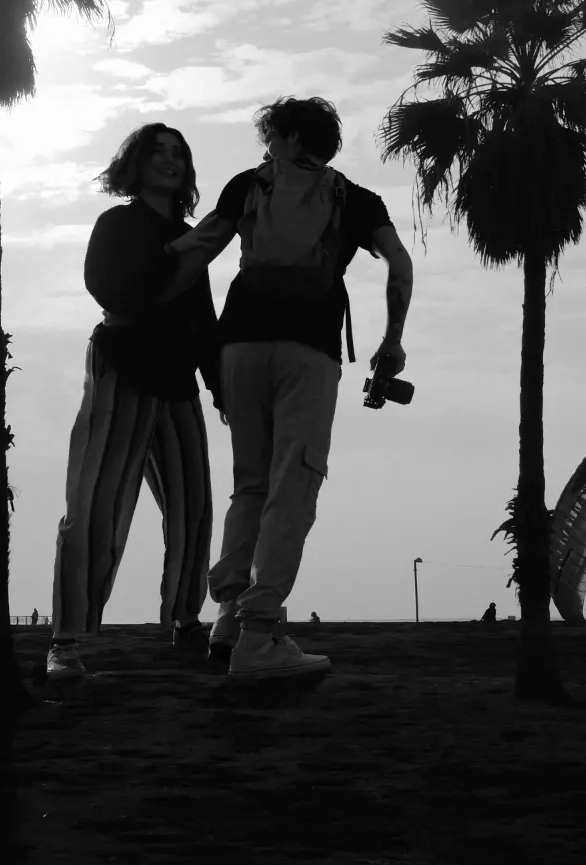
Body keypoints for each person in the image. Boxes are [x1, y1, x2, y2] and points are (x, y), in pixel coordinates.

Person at [164, 97, 413, 680]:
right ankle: (260, 634)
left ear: (288, 135)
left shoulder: (250, 185)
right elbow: (398, 264)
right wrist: (392, 340)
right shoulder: (357, 198)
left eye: (270, 135)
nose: (266, 146)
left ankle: (227, 617)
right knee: (294, 483)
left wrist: (148, 271)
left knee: (249, 486)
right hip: (309, 350)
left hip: (240, 346)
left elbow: (200, 247)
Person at [46, 123, 221, 680]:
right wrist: (176, 254)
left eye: (178, 154)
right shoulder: (118, 223)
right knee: (95, 506)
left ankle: (186, 622)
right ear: (137, 164)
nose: (169, 162)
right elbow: (112, 289)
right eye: (158, 153)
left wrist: (219, 386)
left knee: (193, 509)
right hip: (123, 366)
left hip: (177, 379)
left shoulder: (193, 235)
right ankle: (65, 641)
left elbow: (203, 320)